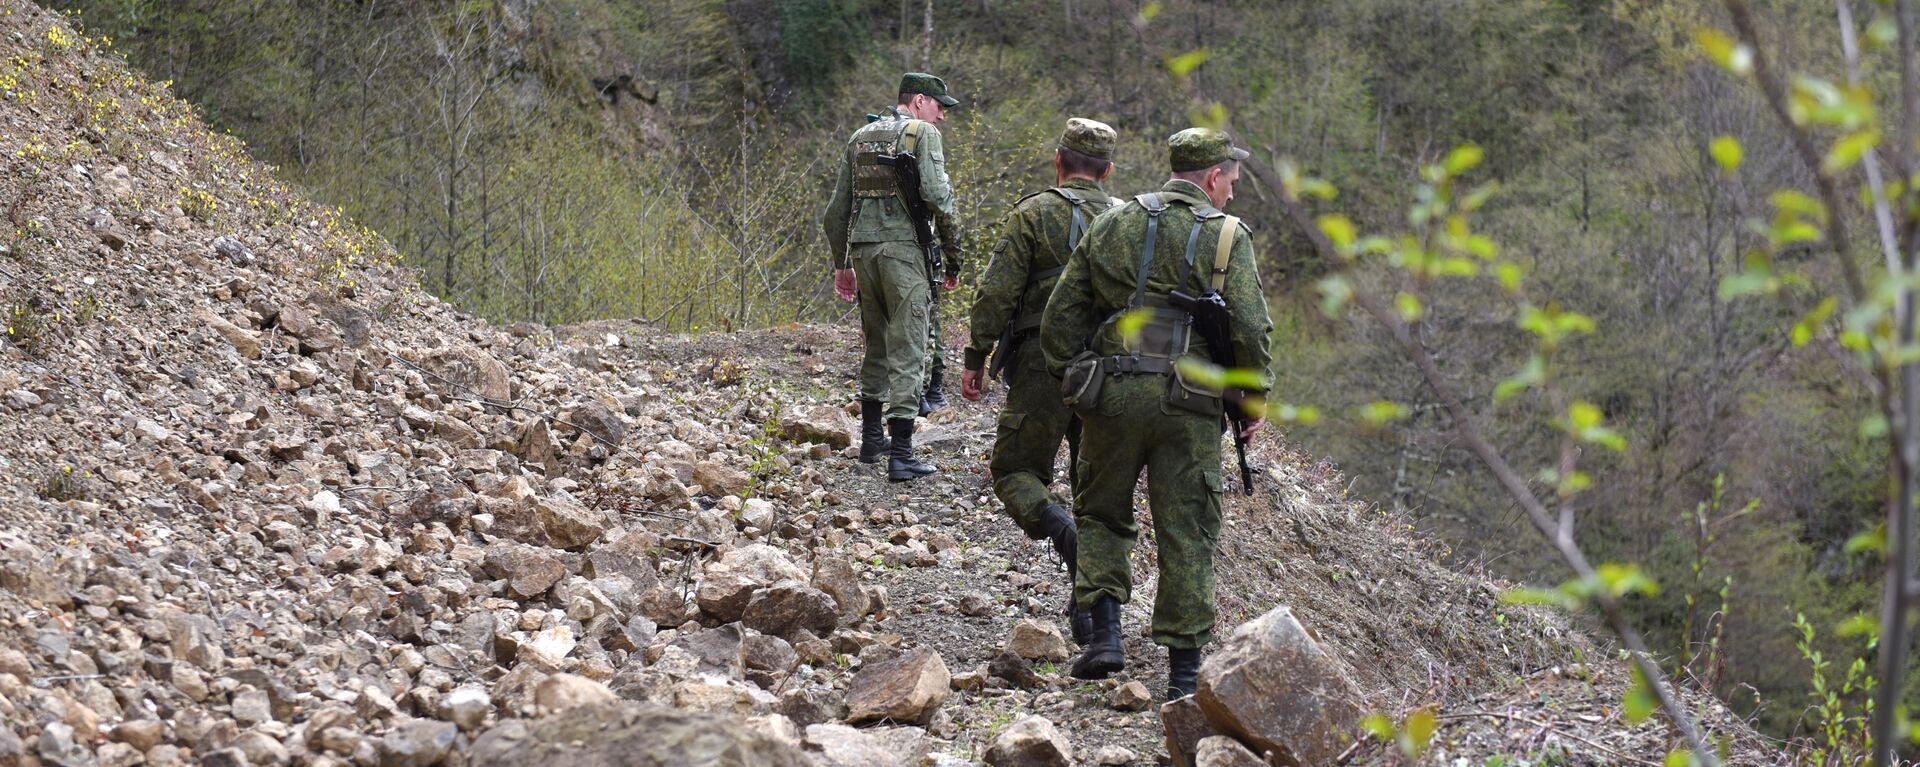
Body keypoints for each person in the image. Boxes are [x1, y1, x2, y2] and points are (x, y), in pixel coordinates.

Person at [1040, 127, 1274, 699]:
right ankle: (1184, 676)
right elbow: (1250, 327)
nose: (1233, 194)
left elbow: (1063, 311)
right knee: (1187, 531)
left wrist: (1076, 375)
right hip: (1190, 404)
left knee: (1101, 512)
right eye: (1232, 182)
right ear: (1213, 178)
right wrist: (1252, 396)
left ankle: (1105, 638)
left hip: (1114, 393)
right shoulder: (1226, 237)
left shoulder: (1114, 221)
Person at [961, 117, 1121, 643]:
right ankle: (1094, 618)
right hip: (1111, 369)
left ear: (1058, 160)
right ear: (1108, 170)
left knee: (1014, 469)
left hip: (1040, 363)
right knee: (1095, 490)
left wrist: (975, 354)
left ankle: (1058, 528)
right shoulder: (1127, 223)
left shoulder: (1033, 212)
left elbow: (997, 292)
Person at [822, 73, 964, 482]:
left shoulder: (860, 136)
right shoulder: (922, 135)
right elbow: (940, 199)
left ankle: (871, 439)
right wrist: (954, 258)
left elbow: (836, 211)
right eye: (940, 106)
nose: (942, 117)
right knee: (909, 346)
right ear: (919, 101)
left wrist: (842, 264)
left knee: (876, 342)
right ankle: (901, 453)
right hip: (905, 253)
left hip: (864, 252)